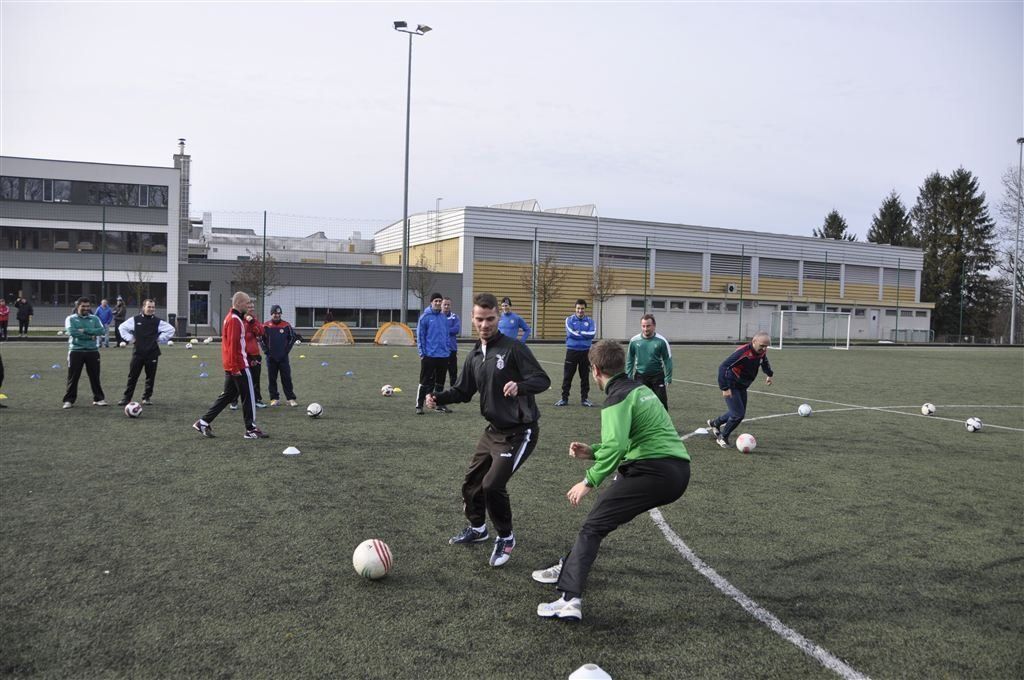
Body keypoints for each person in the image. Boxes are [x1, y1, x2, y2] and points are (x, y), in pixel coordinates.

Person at [534, 340, 691, 621]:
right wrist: (593, 451)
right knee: (598, 521)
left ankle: (569, 600)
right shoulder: (640, 390)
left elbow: (617, 447)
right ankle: (569, 566)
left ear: (595, 370)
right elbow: (631, 439)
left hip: (652, 471)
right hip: (676, 471)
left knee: (592, 527)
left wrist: (588, 481)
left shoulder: (617, 397)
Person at [427, 292, 552, 568]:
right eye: (480, 319)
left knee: (493, 485)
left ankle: (506, 537)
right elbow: (463, 391)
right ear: (473, 319)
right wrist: (439, 397)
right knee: (472, 483)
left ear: (498, 317)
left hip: (520, 432)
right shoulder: (475, 354)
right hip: (493, 431)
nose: (485, 324)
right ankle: (478, 529)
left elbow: (542, 380)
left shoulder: (513, 348)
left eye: (490, 319)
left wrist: (520, 386)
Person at [192, 291, 268, 439]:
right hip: (239, 366)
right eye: (247, 302)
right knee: (248, 396)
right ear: (239, 303)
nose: (249, 305)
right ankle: (251, 429)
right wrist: (235, 368)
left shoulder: (232, 318)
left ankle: (203, 422)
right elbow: (233, 346)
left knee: (228, 396)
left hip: (233, 365)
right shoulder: (234, 320)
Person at [707, 331, 774, 449]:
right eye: (762, 345)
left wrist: (769, 374)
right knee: (738, 414)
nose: (764, 349)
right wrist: (725, 388)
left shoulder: (761, 351)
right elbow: (723, 367)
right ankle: (722, 437)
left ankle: (715, 423)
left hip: (742, 386)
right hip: (732, 383)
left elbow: (764, 361)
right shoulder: (743, 353)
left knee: (737, 411)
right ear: (754, 341)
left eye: (766, 346)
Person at [117, 298, 174, 406]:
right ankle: (126, 398)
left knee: (150, 377)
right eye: (149, 307)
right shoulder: (135, 320)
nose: (151, 309)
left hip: (152, 353)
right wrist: (131, 339)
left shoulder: (158, 321)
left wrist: (160, 339)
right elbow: (122, 327)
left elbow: (171, 329)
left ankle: (146, 398)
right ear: (144, 307)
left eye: (153, 307)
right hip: (138, 353)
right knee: (132, 376)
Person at [62, 297, 107, 408]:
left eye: (88, 306)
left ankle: (99, 399)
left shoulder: (95, 318)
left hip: (93, 351)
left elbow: (102, 331)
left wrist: (85, 330)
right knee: (73, 377)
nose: (86, 308)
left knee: (95, 376)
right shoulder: (70, 318)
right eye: (83, 306)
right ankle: (69, 400)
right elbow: (72, 332)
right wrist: (91, 336)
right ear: (78, 306)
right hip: (76, 351)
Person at [555, 299, 597, 407]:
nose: (580, 310)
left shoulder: (590, 321)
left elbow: (592, 334)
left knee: (585, 377)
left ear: (585, 309)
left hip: (585, 353)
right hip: (572, 352)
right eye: (578, 308)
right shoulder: (569, 319)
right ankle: (564, 399)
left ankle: (585, 399)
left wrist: (579, 333)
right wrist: (584, 335)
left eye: (582, 308)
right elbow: (570, 333)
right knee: (567, 376)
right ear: (575, 308)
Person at [625, 314, 673, 409]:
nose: (645, 329)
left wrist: (668, 377)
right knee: (639, 404)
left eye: (648, 326)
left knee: (662, 403)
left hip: (657, 376)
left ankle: (663, 419)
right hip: (640, 376)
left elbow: (667, 359)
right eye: (643, 326)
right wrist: (629, 376)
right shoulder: (634, 341)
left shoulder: (661, 341)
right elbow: (630, 359)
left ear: (654, 326)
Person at [416, 292, 452, 415]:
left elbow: (447, 336)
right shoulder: (425, 317)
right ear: (431, 302)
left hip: (443, 355)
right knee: (424, 381)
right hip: (429, 355)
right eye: (435, 301)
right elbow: (420, 336)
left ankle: (439, 404)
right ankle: (419, 405)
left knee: (440, 382)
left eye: (439, 301)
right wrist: (422, 353)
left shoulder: (443, 318)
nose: (438, 303)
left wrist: (447, 350)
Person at [262, 304, 299, 407]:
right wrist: (266, 351)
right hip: (271, 358)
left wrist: (286, 350)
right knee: (272, 379)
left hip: (283, 357)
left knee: (286, 378)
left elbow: (292, 337)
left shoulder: (286, 325)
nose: (277, 315)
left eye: (279, 313)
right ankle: (274, 398)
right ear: (271, 314)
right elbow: (261, 339)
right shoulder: (266, 326)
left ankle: (290, 398)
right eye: (275, 313)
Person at [441, 296, 460, 388]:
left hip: (452, 349)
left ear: (450, 305)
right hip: (440, 349)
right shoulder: (437, 317)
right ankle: (439, 391)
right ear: (441, 305)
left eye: (448, 305)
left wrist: (442, 330)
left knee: (453, 373)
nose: (446, 306)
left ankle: (453, 392)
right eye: (445, 304)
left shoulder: (455, 317)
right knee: (440, 373)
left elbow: (456, 330)